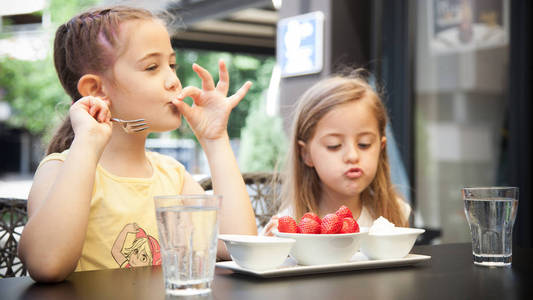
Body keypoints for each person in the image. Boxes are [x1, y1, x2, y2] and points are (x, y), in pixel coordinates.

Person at [17, 6, 257, 282]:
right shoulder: (60, 170)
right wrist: (87, 142)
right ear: (96, 90)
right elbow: (46, 264)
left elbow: (238, 244)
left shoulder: (172, 175)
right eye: (152, 67)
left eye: (172, 64)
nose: (173, 81)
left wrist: (215, 140)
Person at [263, 71, 411, 235]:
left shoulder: (396, 213)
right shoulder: (287, 226)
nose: (353, 156)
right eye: (334, 146)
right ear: (306, 154)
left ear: (381, 147)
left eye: (364, 144)